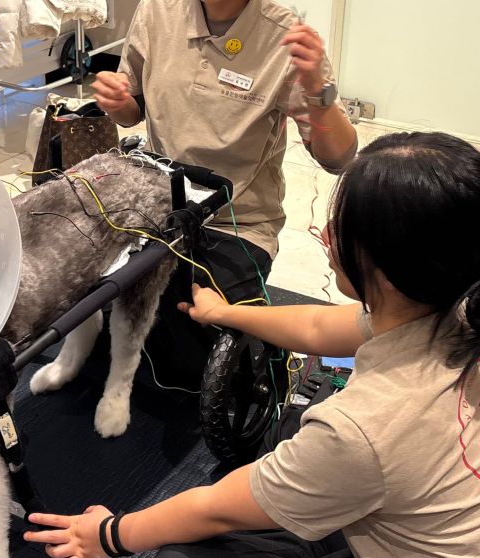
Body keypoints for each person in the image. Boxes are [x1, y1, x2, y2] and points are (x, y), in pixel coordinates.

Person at [24, 132, 480, 558]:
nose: (327, 234)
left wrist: (106, 535)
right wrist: (226, 312)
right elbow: (320, 326)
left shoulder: (362, 429)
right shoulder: (461, 307)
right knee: (293, 433)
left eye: (340, 227)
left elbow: (218, 508)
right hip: (446, 515)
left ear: (392, 271)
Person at [92, 0, 358, 390]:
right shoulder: (157, 10)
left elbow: (339, 158)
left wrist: (320, 93)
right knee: (101, 305)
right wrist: (119, 103)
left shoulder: (283, 34)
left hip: (238, 222)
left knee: (197, 342)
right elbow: (133, 112)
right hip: (159, 207)